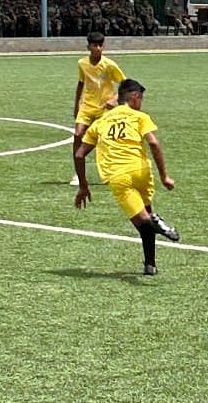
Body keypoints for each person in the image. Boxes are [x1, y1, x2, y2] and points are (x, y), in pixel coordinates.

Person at [74, 79, 179, 276]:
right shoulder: (139, 117)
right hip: (142, 171)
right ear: (135, 97)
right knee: (145, 217)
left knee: (144, 222)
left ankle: (156, 224)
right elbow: (154, 144)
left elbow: (79, 154)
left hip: (120, 177)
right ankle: (150, 265)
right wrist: (164, 176)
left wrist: (83, 186)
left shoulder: (100, 122)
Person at [70, 32, 126, 186]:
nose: (98, 48)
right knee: (78, 135)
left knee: (106, 139)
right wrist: (76, 105)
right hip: (87, 106)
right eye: (95, 45)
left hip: (104, 109)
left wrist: (114, 99)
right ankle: (78, 174)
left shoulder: (109, 65)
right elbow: (81, 83)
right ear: (88, 46)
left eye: (101, 45)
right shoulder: (82, 63)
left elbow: (125, 84)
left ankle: (111, 172)